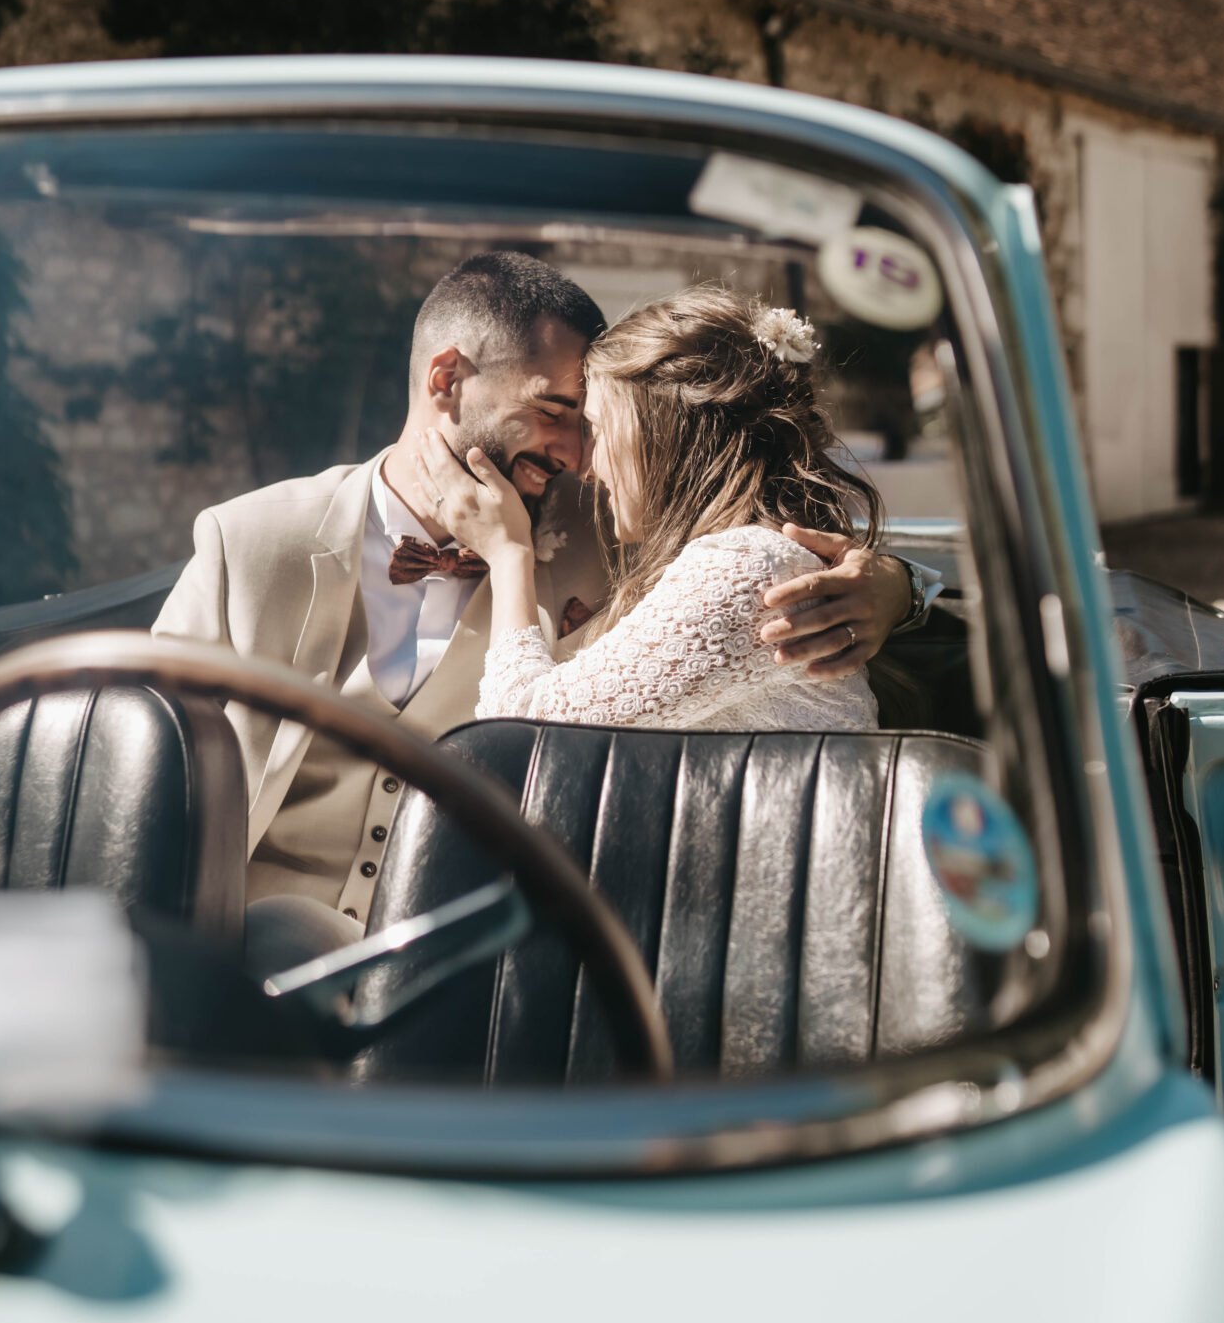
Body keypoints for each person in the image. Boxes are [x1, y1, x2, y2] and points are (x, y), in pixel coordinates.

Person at [153, 254, 914, 969]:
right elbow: (151, 769)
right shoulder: (253, 541)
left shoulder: (622, 529)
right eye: (555, 409)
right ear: (446, 378)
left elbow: (764, 553)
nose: (579, 454)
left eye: (591, 424)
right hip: (258, 953)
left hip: (496, 960)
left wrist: (893, 585)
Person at [418, 285, 879, 732]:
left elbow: (522, 733)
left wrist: (508, 553)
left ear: (664, 434)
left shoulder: (745, 570)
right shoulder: (749, 556)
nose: (584, 466)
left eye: (595, 429)